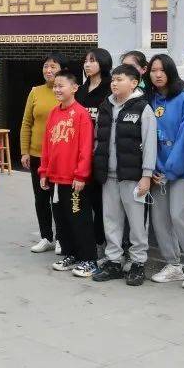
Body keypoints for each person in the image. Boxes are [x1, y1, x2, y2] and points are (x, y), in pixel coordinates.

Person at [89, 64, 157, 287]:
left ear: (134, 83)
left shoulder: (143, 108)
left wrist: (146, 175)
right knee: (111, 220)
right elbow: (98, 139)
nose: (114, 83)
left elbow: (150, 144)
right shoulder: (106, 106)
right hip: (108, 176)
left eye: (120, 79)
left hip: (133, 177)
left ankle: (138, 263)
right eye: (113, 80)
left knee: (137, 224)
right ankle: (114, 262)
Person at [146, 54, 184, 289]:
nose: (158, 74)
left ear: (170, 71)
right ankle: (173, 265)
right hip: (156, 171)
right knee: (160, 219)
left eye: (162, 70)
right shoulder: (150, 99)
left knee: (180, 215)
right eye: (153, 70)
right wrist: (151, 168)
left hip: (182, 170)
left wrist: (170, 169)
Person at [38, 70, 98, 278]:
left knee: (79, 219)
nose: (56, 89)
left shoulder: (81, 114)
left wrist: (81, 175)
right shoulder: (54, 113)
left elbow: (85, 148)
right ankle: (70, 254)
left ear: (74, 88)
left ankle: (89, 259)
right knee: (62, 219)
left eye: (61, 85)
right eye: (55, 86)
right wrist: (44, 171)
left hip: (74, 179)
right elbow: (47, 145)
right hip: (55, 178)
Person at [20, 54, 65, 254]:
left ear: (62, 70)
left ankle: (62, 237)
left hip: (60, 156)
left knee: (59, 199)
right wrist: (25, 151)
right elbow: (26, 123)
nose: (48, 70)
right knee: (41, 198)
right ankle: (46, 237)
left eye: (53, 66)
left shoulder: (66, 92)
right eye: (46, 66)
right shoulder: (35, 92)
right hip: (37, 154)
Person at [75, 48, 112, 249]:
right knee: (81, 201)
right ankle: (83, 243)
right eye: (86, 61)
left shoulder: (110, 89)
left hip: (101, 153)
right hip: (79, 153)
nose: (87, 64)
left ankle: (101, 243)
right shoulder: (80, 91)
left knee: (100, 202)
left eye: (93, 60)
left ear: (103, 63)